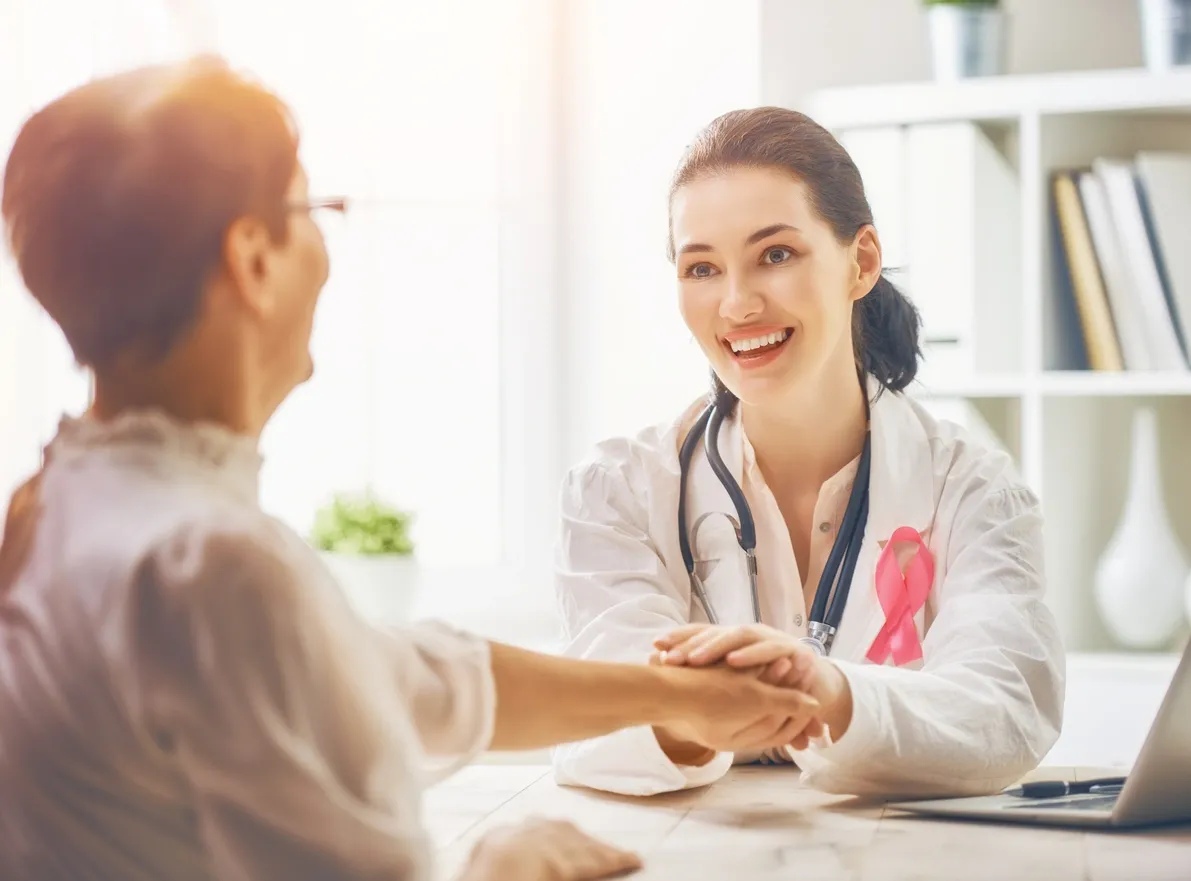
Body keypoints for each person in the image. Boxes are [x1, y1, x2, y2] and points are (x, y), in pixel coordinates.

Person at [0, 59, 825, 881]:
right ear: (253, 260)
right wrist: (508, 861)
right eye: (312, 209)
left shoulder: (58, 507)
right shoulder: (213, 566)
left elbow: (393, 675)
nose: (326, 248)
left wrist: (677, 696)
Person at [551, 106, 1065, 799]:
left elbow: (1005, 708)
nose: (735, 304)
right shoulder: (618, 488)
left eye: (775, 254)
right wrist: (692, 711)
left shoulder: (972, 488)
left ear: (860, 262)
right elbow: (590, 714)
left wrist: (829, 692)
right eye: (700, 267)